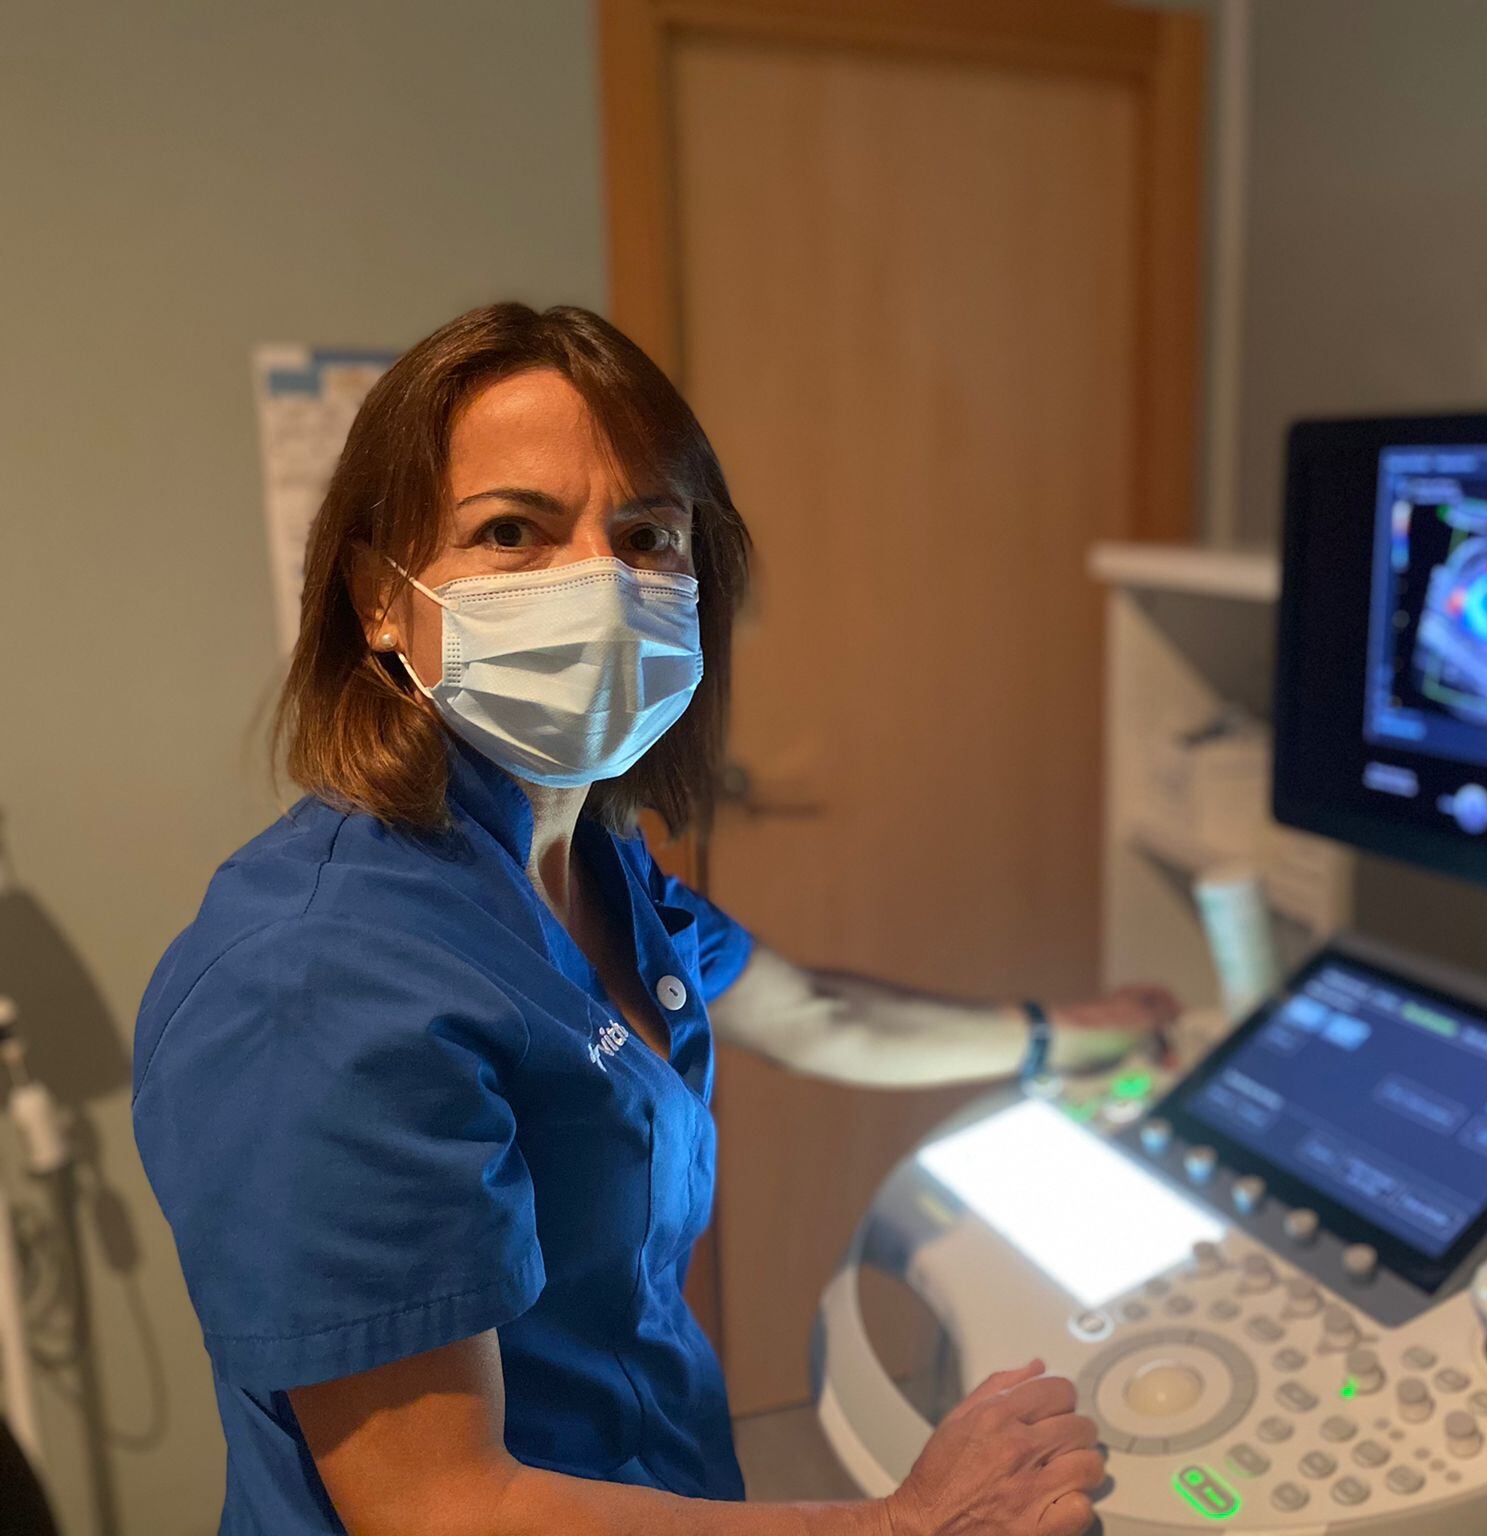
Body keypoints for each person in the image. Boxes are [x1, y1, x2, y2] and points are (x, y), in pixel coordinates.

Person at [133, 303, 1178, 1535]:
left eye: (646, 534)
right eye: (511, 532)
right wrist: (896, 1526)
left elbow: (823, 1016)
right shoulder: (312, 983)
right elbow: (441, 1508)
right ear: (379, 597)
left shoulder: (576, 865)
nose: (599, 585)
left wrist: (1062, 1034)